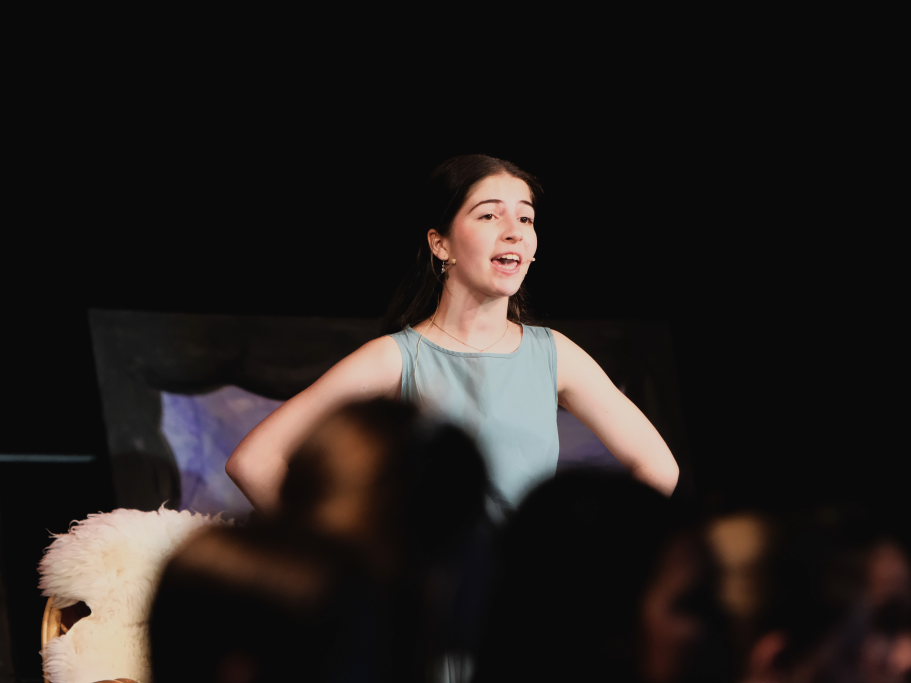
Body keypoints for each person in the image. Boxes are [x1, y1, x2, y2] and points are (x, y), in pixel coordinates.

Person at [226, 152, 679, 514]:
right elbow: (254, 462)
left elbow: (659, 468)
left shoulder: (554, 354)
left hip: (526, 590)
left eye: (525, 218)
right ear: (440, 243)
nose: (515, 232)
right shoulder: (395, 358)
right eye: (489, 216)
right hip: (429, 594)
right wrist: (344, 561)